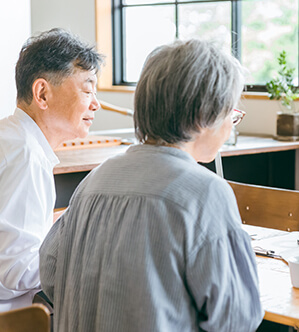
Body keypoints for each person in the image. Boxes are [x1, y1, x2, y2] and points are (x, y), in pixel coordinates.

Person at [39, 39, 264, 332]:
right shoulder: (205, 192)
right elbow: (237, 318)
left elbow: (50, 272)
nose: (231, 124)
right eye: (230, 112)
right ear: (204, 116)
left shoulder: (95, 180)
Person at [0, 28, 103, 312]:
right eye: (87, 89)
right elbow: (16, 271)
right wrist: (84, 253)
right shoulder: (25, 155)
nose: (96, 104)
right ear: (42, 93)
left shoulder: (12, 137)